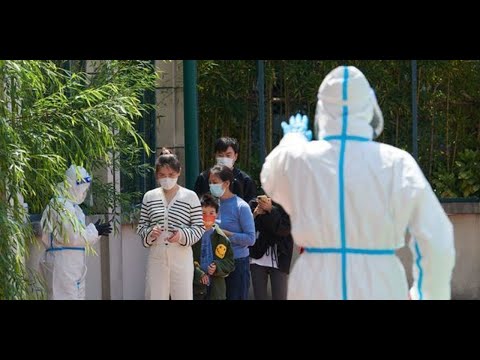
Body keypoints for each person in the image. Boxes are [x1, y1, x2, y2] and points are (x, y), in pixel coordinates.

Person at [260, 65, 456, 300]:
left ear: (323, 108)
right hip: (380, 286)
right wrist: (426, 294)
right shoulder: (397, 163)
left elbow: (270, 177)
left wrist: (292, 140)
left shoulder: (298, 160)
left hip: (315, 285)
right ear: (368, 105)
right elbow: (437, 238)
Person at [137, 148, 205, 300]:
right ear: (156, 175)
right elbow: (141, 226)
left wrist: (181, 235)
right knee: (155, 295)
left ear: (179, 172)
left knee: (183, 295)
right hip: (157, 256)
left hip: (181, 255)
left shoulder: (190, 196)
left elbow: (199, 227)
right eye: (162, 175)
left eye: (171, 175)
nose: (166, 178)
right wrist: (150, 233)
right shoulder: (149, 197)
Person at [40, 165, 112, 300]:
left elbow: (80, 238)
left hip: (73, 265)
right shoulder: (60, 206)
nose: (84, 193)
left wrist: (95, 232)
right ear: (72, 185)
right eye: (82, 188)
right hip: (63, 266)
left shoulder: (74, 208)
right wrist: (94, 231)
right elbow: (72, 237)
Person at [209, 165, 256, 300]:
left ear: (227, 183)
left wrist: (227, 235)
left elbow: (251, 238)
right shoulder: (211, 205)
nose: (212, 185)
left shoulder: (241, 206)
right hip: (216, 263)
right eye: (210, 182)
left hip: (237, 262)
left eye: (215, 182)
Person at [248, 194, 293, 300]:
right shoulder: (254, 203)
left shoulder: (288, 206)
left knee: (280, 295)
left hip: (279, 257)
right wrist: (255, 214)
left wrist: (270, 210)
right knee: (259, 295)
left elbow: (283, 230)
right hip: (257, 256)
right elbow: (247, 227)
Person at [192, 193, 235, 300]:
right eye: (203, 213)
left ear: (217, 214)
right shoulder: (191, 236)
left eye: (211, 213)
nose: (207, 216)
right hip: (195, 290)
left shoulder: (222, 238)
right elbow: (184, 261)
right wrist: (198, 274)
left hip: (217, 290)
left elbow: (230, 262)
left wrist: (217, 266)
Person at [194, 137, 257, 203]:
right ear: (215, 155)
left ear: (235, 156)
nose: (224, 158)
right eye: (220, 155)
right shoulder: (204, 177)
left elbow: (251, 206)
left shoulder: (245, 180)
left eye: (228, 155)